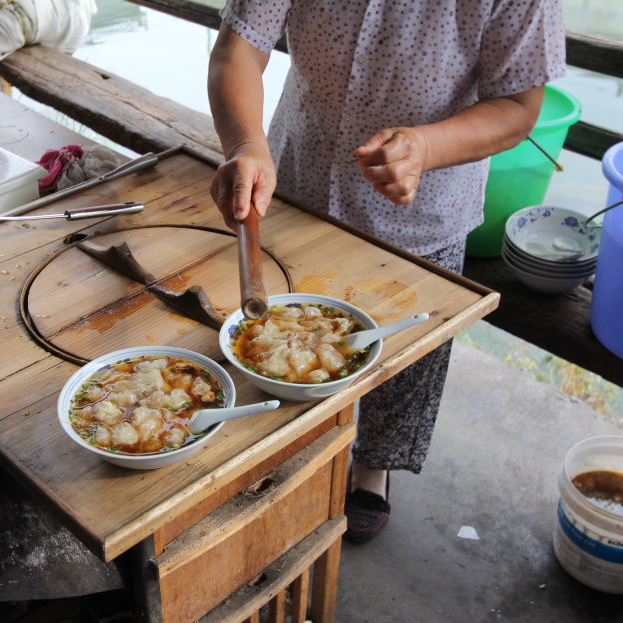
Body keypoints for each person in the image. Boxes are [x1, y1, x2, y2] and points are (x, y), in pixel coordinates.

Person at [207, 0, 566, 543]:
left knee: (405, 359)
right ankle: (287, 455)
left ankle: (372, 467)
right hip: (298, 172)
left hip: (423, 205)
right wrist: (246, 145)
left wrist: (425, 146)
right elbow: (238, 47)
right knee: (281, 341)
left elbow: (517, 104)